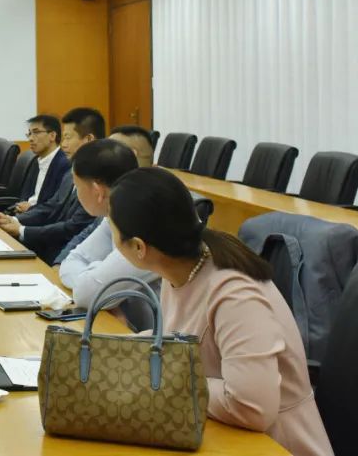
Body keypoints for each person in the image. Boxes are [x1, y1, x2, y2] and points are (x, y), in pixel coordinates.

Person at [109, 168, 333, 456]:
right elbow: (186, 340)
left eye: (111, 227)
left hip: (274, 444)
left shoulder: (234, 293)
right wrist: (130, 349)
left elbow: (250, 407)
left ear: (139, 247)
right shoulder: (178, 268)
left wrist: (168, 377)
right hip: (217, 431)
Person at [55, 138, 156, 328]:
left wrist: (100, 289)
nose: (75, 192)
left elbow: (86, 294)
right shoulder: (115, 214)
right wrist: (100, 280)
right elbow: (72, 260)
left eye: (77, 186)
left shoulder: (145, 224)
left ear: (97, 190)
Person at [0, 107, 103, 265]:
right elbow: (50, 206)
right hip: (48, 244)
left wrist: (22, 230)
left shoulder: (99, 182)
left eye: (68, 138)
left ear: (89, 140)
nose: (63, 145)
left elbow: (72, 228)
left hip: (60, 254)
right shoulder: (71, 172)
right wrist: (12, 220)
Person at [12, 114, 69, 213]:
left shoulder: (64, 165)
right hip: (24, 215)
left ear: (52, 136)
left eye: (36, 132)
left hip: (41, 221)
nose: (30, 138)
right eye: (29, 134)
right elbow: (25, 197)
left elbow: (56, 208)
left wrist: (30, 209)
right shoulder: (35, 161)